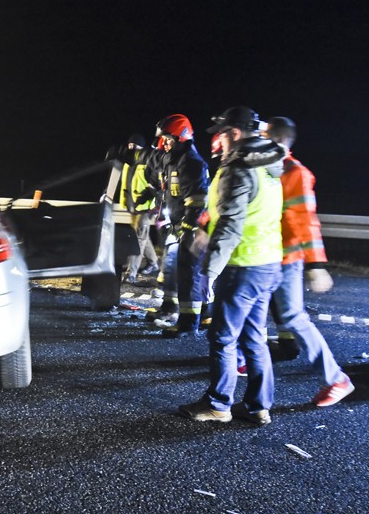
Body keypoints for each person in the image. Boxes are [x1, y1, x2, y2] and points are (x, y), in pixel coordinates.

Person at [179, 106, 286, 426]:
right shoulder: (269, 164)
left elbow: (232, 224)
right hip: (267, 262)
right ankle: (258, 406)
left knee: (223, 338)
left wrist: (210, 270)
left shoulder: (238, 168)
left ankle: (218, 404)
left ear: (234, 134)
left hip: (241, 265)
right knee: (254, 337)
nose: (219, 142)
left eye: (221, 135)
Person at [264, 116, 354, 407]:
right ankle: (249, 359)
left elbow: (306, 221)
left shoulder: (295, 173)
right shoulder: (268, 169)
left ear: (276, 139)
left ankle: (337, 379)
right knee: (248, 309)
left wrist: (316, 265)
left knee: (293, 317)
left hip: (286, 258)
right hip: (263, 256)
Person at [138, 114, 209, 336]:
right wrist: (133, 153)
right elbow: (153, 160)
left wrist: (188, 229)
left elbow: (197, 201)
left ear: (181, 137)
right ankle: (171, 309)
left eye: (168, 139)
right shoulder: (174, 159)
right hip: (176, 227)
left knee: (191, 277)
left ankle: (190, 323)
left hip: (190, 229)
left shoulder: (191, 162)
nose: (164, 144)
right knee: (171, 271)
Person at [118, 133, 159, 283]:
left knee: (138, 240)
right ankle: (153, 263)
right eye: (129, 145)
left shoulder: (148, 163)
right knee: (143, 236)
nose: (131, 148)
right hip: (133, 206)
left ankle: (131, 273)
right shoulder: (129, 163)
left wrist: (148, 199)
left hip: (145, 208)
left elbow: (155, 186)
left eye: (134, 146)